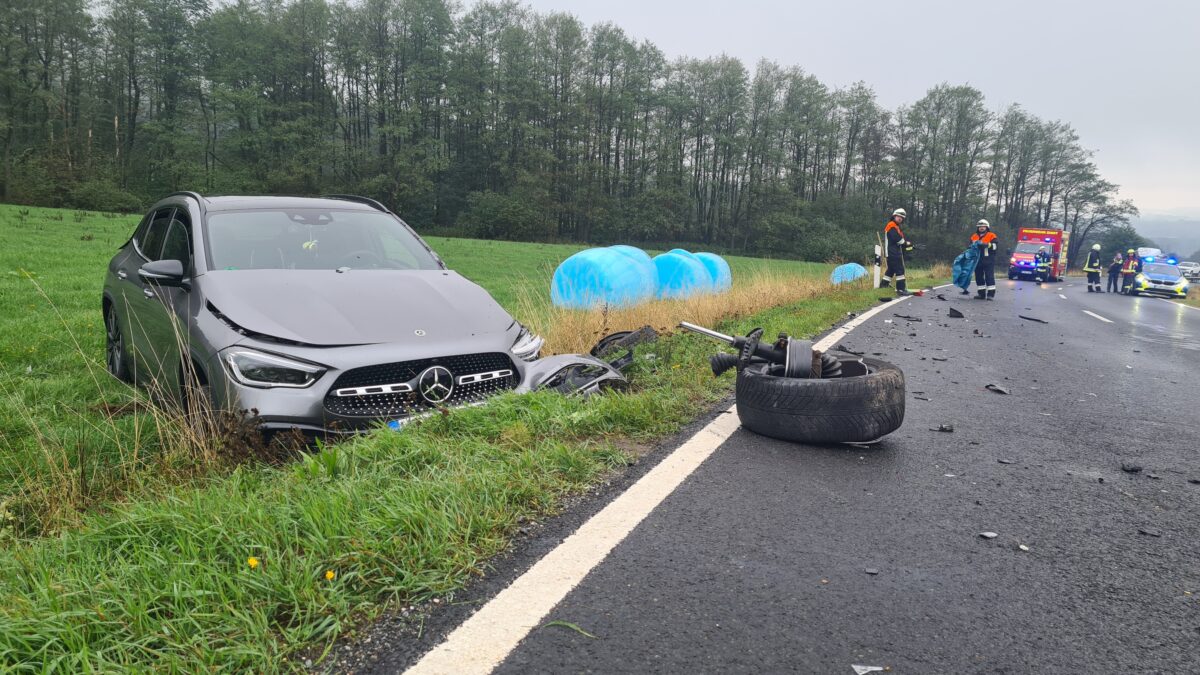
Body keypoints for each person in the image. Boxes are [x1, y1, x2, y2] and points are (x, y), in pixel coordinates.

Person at [882, 208, 913, 296]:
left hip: (891, 252)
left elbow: (899, 240)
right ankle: (901, 290)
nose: (900, 219)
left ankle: (883, 285)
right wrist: (905, 243)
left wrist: (908, 245)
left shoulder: (895, 226)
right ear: (894, 216)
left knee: (891, 270)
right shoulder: (891, 225)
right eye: (899, 216)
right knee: (900, 270)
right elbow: (897, 239)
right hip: (893, 253)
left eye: (902, 218)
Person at [970, 219, 998, 299]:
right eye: (980, 227)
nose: (981, 228)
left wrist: (986, 245)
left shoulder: (992, 235)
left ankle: (990, 295)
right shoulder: (974, 236)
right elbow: (970, 247)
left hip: (988, 259)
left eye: (983, 226)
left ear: (987, 227)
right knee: (978, 277)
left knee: (989, 276)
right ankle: (981, 294)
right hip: (977, 260)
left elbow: (995, 246)